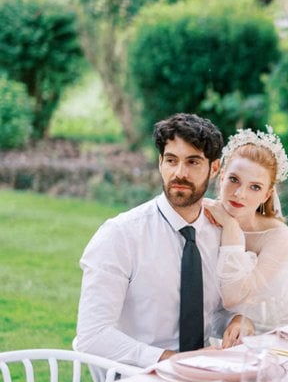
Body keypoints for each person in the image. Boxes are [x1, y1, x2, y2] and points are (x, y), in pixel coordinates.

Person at [74, 113, 250, 368]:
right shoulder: (120, 236)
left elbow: (211, 311)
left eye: (193, 162)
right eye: (171, 160)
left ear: (214, 168)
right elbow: (92, 336)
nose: (180, 173)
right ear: (160, 163)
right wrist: (172, 361)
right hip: (136, 379)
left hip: (202, 375)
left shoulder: (219, 234)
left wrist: (237, 319)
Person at [203, 125, 288, 330]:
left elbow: (232, 298)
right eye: (234, 180)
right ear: (221, 178)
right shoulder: (203, 216)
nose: (240, 194)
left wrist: (230, 228)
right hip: (224, 323)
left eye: (255, 187)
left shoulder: (278, 237)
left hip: (284, 323)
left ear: (266, 195)